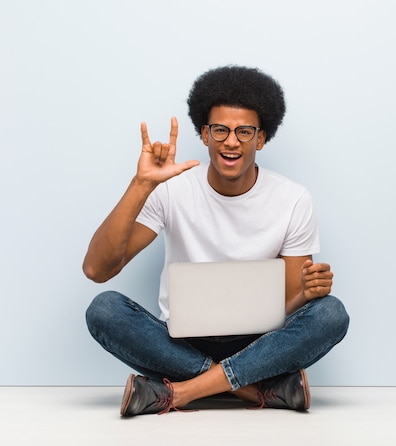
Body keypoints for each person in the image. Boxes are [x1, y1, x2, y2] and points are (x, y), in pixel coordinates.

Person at [83, 65, 350, 417]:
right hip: (181, 341)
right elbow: (97, 269)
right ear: (204, 134)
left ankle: (180, 392)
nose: (231, 141)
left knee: (330, 313)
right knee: (104, 310)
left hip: (259, 344)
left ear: (261, 138)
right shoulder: (171, 190)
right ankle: (255, 390)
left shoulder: (293, 199)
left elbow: (289, 304)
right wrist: (142, 184)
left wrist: (308, 291)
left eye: (244, 131)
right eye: (220, 129)